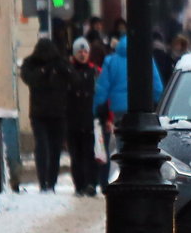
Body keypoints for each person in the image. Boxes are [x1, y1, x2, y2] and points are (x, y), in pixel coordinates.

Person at [92, 34, 165, 189]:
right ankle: (139, 173)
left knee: (121, 140)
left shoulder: (111, 61)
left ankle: (124, 171)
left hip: (119, 109)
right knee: (140, 139)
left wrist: (98, 106)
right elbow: (157, 86)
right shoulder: (146, 59)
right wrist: (158, 102)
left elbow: (102, 87)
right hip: (140, 107)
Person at [20, 38, 71, 192]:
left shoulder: (59, 64)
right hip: (40, 114)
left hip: (56, 113)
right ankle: (44, 181)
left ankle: (51, 182)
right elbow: (28, 78)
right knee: (43, 146)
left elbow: (73, 78)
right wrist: (43, 71)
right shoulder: (31, 63)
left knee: (54, 149)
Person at [67, 37, 101, 197]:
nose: (82, 54)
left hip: (89, 120)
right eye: (79, 51)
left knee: (90, 153)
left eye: (85, 51)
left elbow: (101, 94)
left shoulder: (95, 71)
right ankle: (79, 184)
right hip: (73, 120)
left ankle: (91, 183)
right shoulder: (68, 71)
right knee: (76, 155)